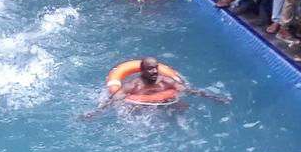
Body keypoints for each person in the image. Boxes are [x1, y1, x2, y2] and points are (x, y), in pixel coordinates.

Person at [84, 57, 229, 116]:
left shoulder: (166, 81)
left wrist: (215, 98)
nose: (154, 71)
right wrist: (95, 113)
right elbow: (113, 99)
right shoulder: (133, 85)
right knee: (135, 112)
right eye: (149, 69)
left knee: (182, 107)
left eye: (155, 68)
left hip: (165, 102)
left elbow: (189, 90)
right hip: (142, 106)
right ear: (142, 70)